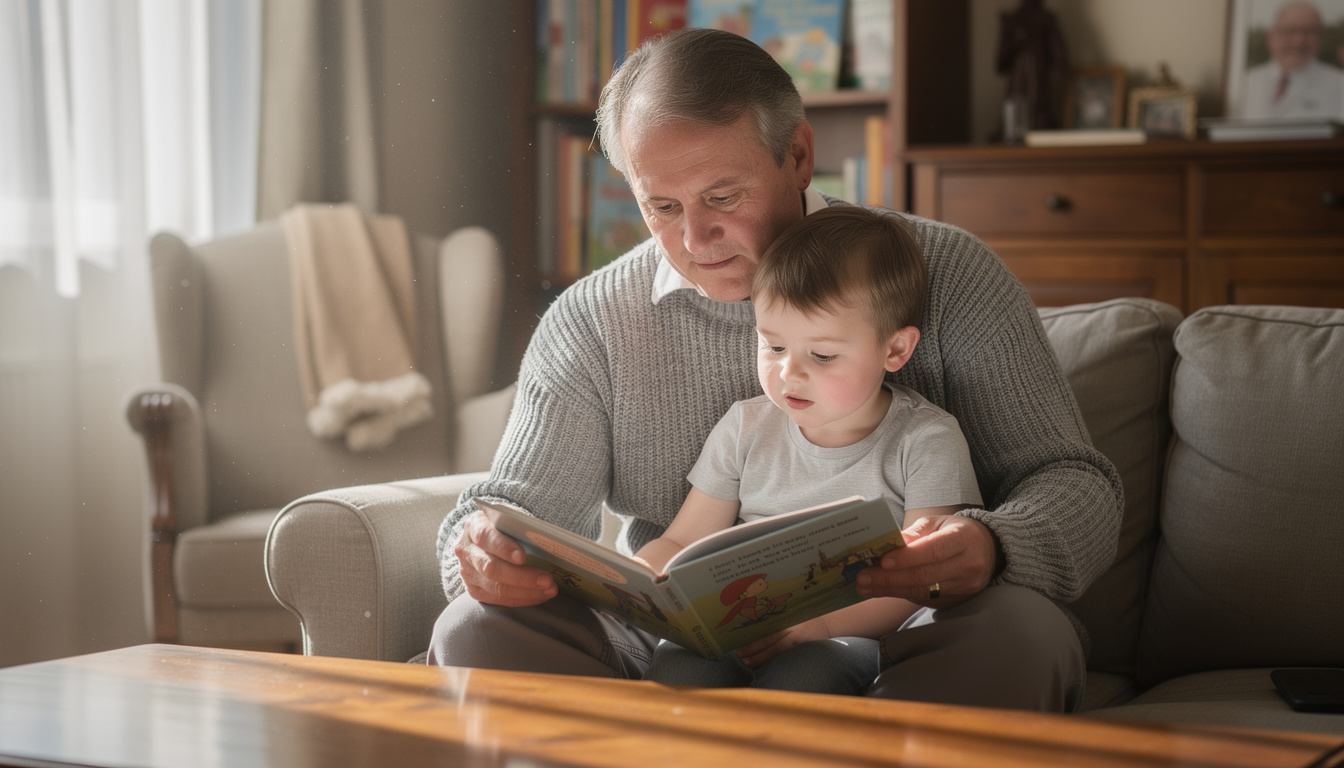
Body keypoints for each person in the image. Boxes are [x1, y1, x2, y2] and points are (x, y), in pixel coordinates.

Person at [430, 27, 1120, 712]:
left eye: (723, 197)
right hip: (681, 644)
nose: (694, 240)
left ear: (798, 156)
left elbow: (1074, 484)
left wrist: (994, 545)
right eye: (661, 208)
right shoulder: (591, 320)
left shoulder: (951, 274)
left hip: (904, 635)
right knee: (473, 629)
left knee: (1016, 635)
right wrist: (483, 552)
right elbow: (512, 509)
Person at [636, 206, 983, 695]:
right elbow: (680, 543)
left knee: (808, 670)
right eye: (773, 346)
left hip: (850, 634)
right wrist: (635, 584)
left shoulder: (926, 440)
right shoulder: (745, 427)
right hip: (741, 626)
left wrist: (818, 627)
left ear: (895, 351)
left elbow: (921, 581)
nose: (789, 373)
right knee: (677, 664)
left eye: (822, 355)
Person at [1241, 0, 1344, 120]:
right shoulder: (1244, 83)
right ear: (1270, 36)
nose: (1299, 41)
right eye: (1290, 31)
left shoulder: (1340, 84)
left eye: (1309, 32)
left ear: (1321, 37)